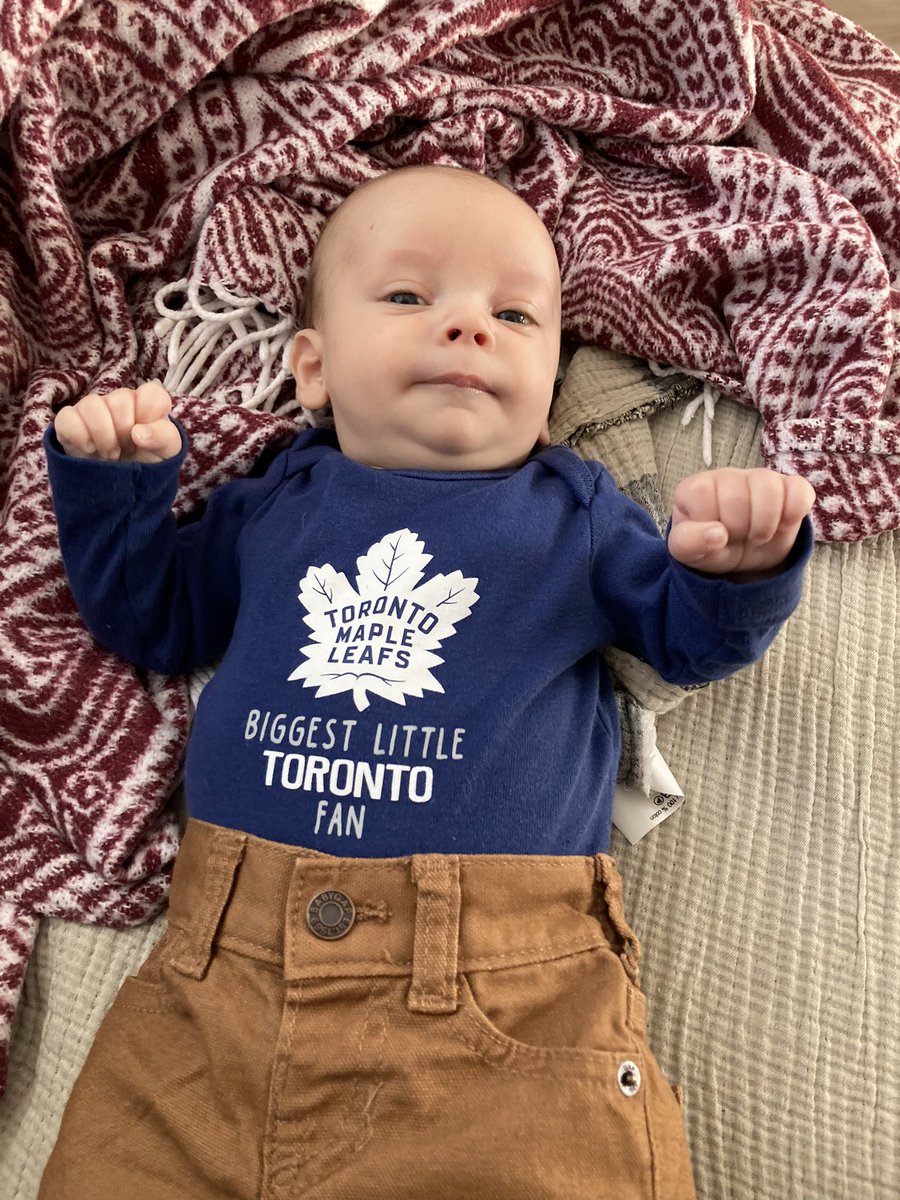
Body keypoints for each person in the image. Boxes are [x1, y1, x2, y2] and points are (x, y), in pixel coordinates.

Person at [40, 165, 814, 1200]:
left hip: (500, 1000)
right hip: (215, 991)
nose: (466, 327)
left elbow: (686, 639)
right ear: (311, 369)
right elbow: (155, 620)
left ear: (550, 385)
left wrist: (737, 568)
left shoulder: (573, 514)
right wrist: (118, 493)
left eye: (514, 314)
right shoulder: (277, 502)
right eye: (409, 298)